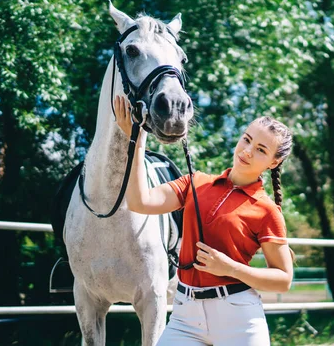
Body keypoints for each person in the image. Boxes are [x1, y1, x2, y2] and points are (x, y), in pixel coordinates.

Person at [114, 95, 294, 346]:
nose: (247, 151)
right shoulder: (195, 181)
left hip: (238, 318)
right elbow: (139, 202)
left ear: (274, 162)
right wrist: (136, 141)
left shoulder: (266, 210)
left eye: (261, 150)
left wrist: (231, 269)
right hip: (185, 316)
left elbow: (284, 279)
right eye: (247, 139)